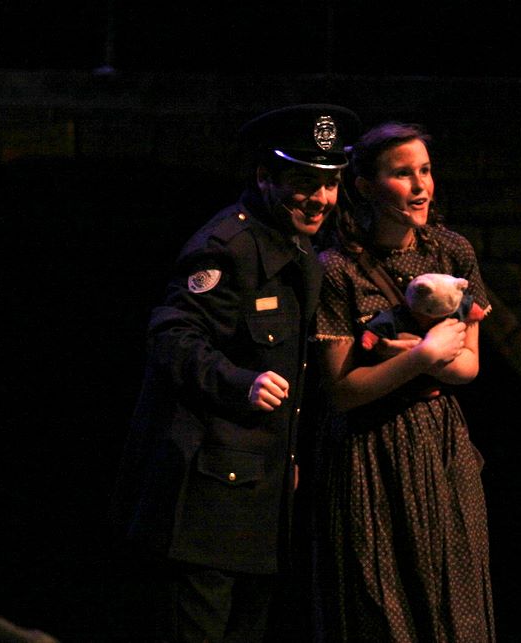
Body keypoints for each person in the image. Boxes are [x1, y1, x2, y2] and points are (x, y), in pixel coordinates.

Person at [110, 103, 361, 642]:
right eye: (305, 183)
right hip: (207, 500)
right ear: (266, 177)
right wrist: (240, 382)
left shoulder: (298, 247)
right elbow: (171, 336)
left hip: (259, 495)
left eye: (330, 183)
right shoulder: (228, 247)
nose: (321, 198)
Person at [311, 121, 495, 641]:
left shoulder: (451, 252)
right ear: (365, 186)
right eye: (402, 174)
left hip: (439, 440)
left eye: (425, 171)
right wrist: (422, 357)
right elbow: (342, 391)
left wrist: (426, 358)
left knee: (455, 602)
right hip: (368, 449)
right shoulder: (337, 267)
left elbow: (469, 366)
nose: (420, 187)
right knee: (379, 604)